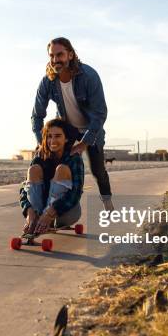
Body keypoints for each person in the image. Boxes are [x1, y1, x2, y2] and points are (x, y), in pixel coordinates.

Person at [31, 37, 114, 211]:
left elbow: (100, 113)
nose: (55, 60)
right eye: (52, 56)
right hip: (67, 130)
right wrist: (41, 141)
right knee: (53, 165)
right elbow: (37, 115)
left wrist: (84, 143)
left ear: (70, 54)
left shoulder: (89, 76)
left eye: (59, 55)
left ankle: (107, 202)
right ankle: (53, 208)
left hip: (92, 130)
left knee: (97, 170)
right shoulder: (48, 81)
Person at [19, 119, 84, 234]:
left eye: (58, 136)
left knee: (61, 169)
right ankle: (36, 220)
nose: (52, 140)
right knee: (33, 169)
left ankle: (44, 220)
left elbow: (75, 193)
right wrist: (29, 212)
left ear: (66, 138)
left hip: (64, 212)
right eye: (49, 136)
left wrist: (49, 214)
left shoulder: (74, 158)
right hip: (40, 210)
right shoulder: (39, 156)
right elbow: (24, 190)